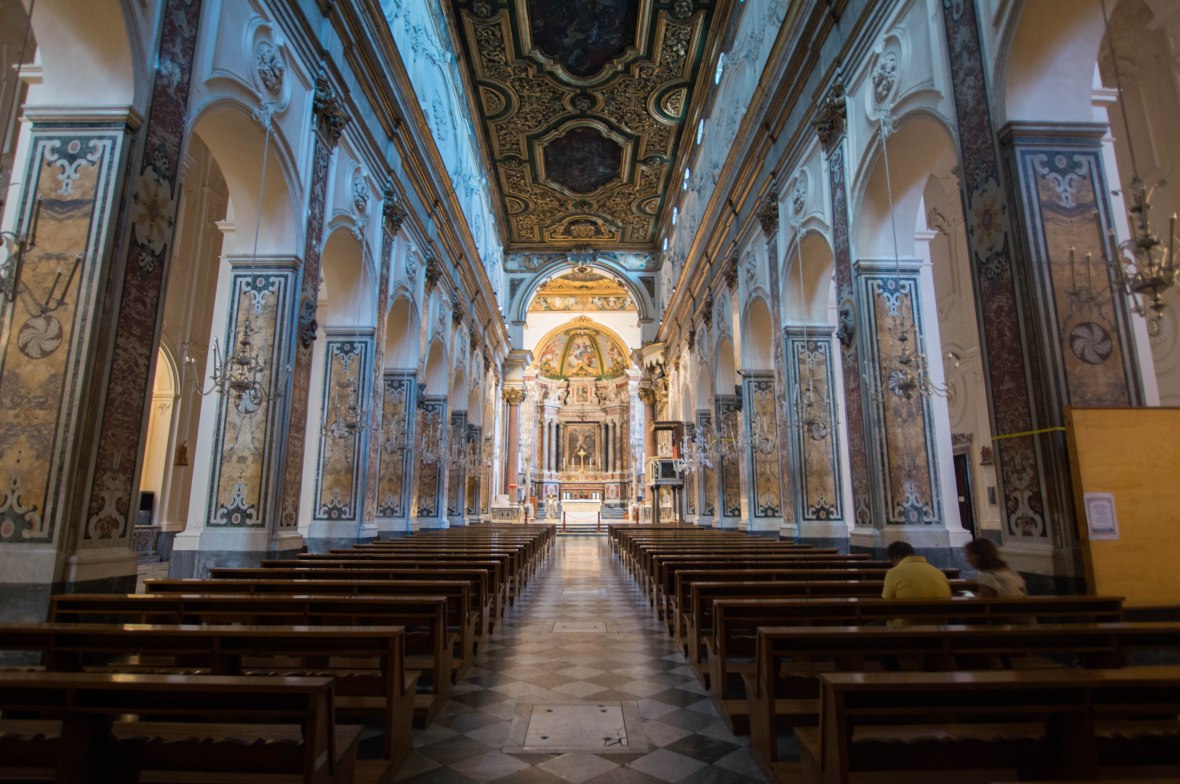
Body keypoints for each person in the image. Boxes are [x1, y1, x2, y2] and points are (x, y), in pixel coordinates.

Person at [882, 540, 952, 600]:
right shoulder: (938, 572)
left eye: (892, 562)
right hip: (940, 614)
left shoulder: (893, 573)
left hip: (907, 615)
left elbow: (887, 600)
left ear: (896, 557)